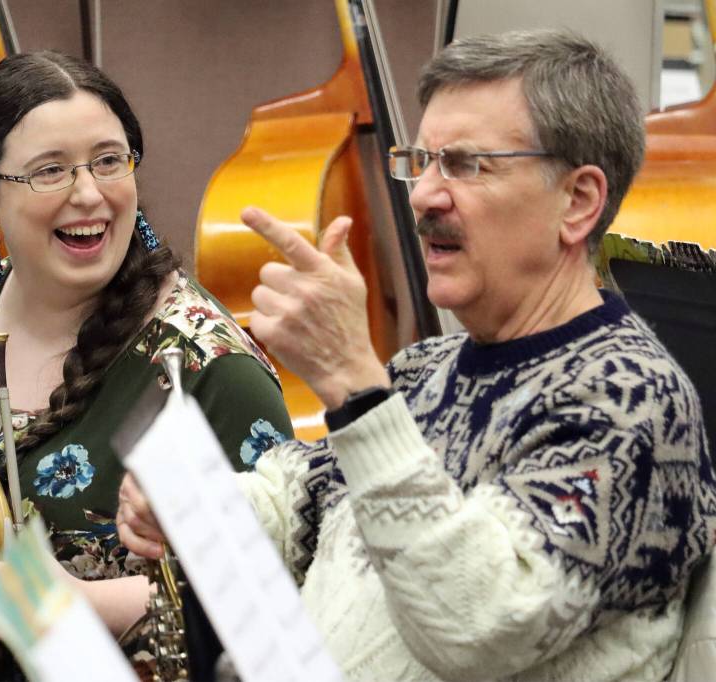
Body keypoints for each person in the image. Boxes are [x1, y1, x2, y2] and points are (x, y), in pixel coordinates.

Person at [118, 29, 716, 680]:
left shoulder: (632, 397)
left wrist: (354, 385)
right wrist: (188, 505)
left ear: (577, 202)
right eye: (422, 161)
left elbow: (477, 626)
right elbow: (302, 502)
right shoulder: (427, 368)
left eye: (465, 164)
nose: (424, 195)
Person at [0, 50, 292, 641]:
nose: (88, 194)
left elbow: (283, 586)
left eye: (108, 161)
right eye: (50, 170)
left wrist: (80, 604)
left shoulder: (209, 367)